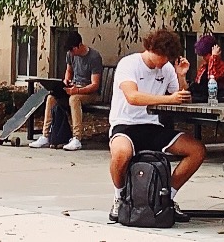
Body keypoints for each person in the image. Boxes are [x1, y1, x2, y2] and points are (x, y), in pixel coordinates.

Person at [106, 28, 207, 223]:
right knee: (121, 153)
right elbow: (133, 97)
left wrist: (180, 76)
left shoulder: (168, 68)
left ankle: (165, 196)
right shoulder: (129, 64)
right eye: (164, 57)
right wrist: (168, 99)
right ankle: (120, 197)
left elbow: (183, 98)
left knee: (196, 150)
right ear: (153, 49)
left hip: (152, 125)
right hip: (125, 124)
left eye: (168, 59)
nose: (165, 62)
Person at [30, 30, 103, 151]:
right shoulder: (70, 54)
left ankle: (77, 137)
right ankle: (45, 135)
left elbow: (95, 85)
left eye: (73, 50)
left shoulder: (94, 57)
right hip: (73, 88)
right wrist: (66, 81)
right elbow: (69, 71)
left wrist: (77, 91)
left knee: (74, 99)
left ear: (80, 45)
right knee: (51, 98)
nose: (72, 53)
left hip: (89, 92)